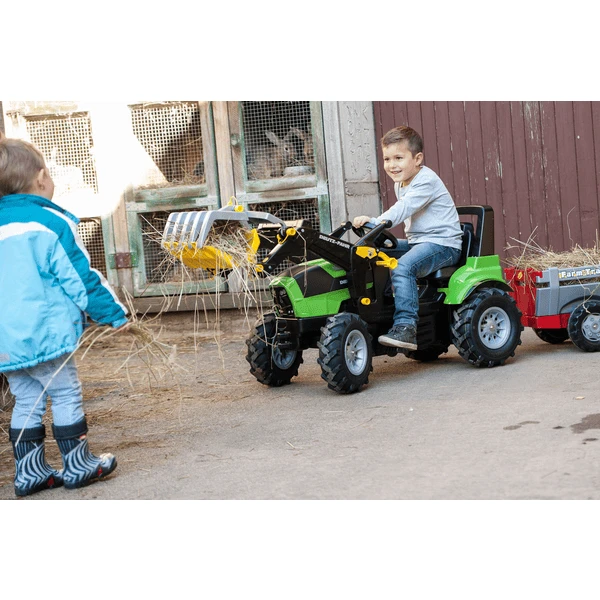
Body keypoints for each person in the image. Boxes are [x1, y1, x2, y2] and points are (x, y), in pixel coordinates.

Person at [0, 137, 129, 496]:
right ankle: (78, 464)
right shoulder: (50, 222)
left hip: (6, 340)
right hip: (47, 332)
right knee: (65, 392)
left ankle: (30, 472)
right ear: (41, 178)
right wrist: (112, 313)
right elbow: (79, 277)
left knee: (26, 398)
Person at [353, 126, 462, 351]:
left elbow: (403, 208)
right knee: (373, 255)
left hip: (443, 244)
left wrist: (376, 222)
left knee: (402, 267)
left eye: (399, 158)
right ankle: (382, 309)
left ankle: (406, 327)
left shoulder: (426, 180)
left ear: (417, 159)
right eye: (387, 159)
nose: (392, 165)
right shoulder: (401, 182)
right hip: (419, 243)